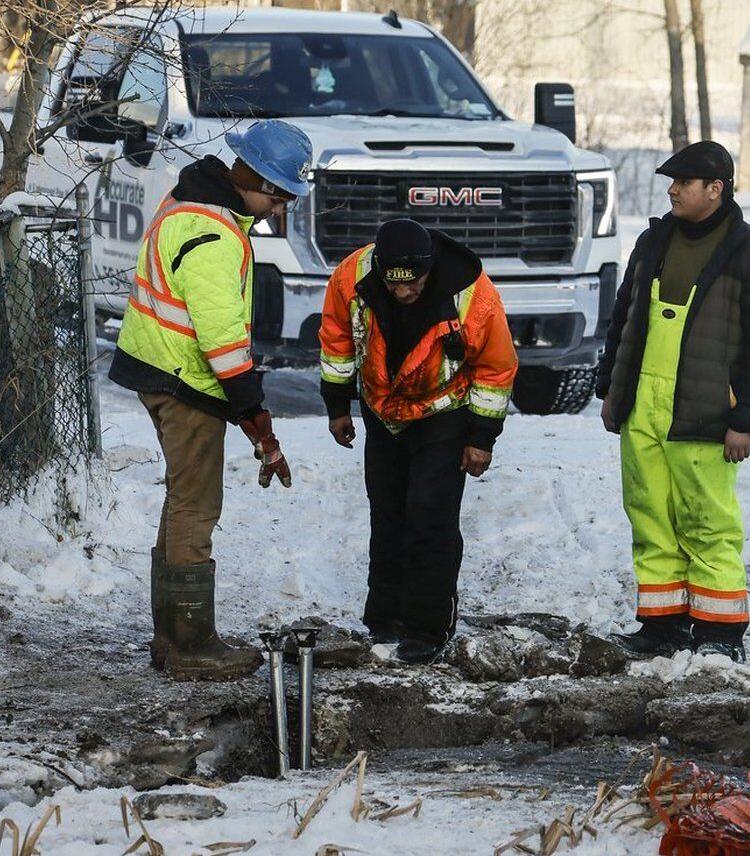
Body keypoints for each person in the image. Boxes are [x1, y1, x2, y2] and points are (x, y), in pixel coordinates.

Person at [108, 119, 313, 680]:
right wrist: (256, 418)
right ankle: (191, 643)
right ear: (258, 182)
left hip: (157, 366)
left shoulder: (191, 195)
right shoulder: (215, 235)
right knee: (197, 505)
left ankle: (170, 639)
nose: (280, 210)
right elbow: (223, 344)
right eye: (281, 197)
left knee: (180, 501)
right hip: (185, 380)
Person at [596, 141, 750, 663]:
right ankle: (662, 625)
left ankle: (720, 633)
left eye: (684, 182)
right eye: (672, 181)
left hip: (707, 412)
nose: (673, 189)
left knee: (707, 521)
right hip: (644, 405)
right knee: (649, 514)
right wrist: (611, 389)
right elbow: (625, 318)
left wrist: (747, 420)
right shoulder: (654, 240)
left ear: (716, 189)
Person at [318, 218, 518, 664]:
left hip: (443, 413)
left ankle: (427, 628)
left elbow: (496, 369)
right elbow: (336, 341)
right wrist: (337, 405)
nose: (403, 293)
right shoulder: (352, 276)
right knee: (386, 513)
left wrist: (481, 438)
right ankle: (384, 619)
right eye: (393, 285)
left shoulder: (473, 295)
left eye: (413, 285)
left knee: (430, 515)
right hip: (382, 412)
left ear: (429, 271)